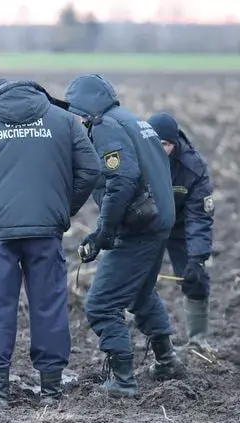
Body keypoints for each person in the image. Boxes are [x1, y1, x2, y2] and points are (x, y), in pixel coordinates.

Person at [0, 79, 103, 408]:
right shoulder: (63, 121)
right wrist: (61, 209)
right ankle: (52, 392)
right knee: (49, 306)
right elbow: (91, 169)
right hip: (45, 232)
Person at [63, 73, 186, 398]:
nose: (73, 119)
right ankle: (167, 360)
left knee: (102, 304)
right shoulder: (133, 121)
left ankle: (122, 379)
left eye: (75, 111)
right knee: (140, 293)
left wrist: (104, 231)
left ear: (87, 109)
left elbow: (123, 179)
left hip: (140, 228)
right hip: (159, 220)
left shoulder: (105, 128)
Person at [147, 112, 215, 350]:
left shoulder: (192, 167)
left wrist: (198, 257)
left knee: (195, 278)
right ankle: (143, 337)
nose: (158, 149)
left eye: (164, 144)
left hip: (180, 227)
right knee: (133, 279)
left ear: (174, 144)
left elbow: (199, 216)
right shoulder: (136, 158)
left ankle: (198, 340)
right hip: (145, 226)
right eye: (154, 143)